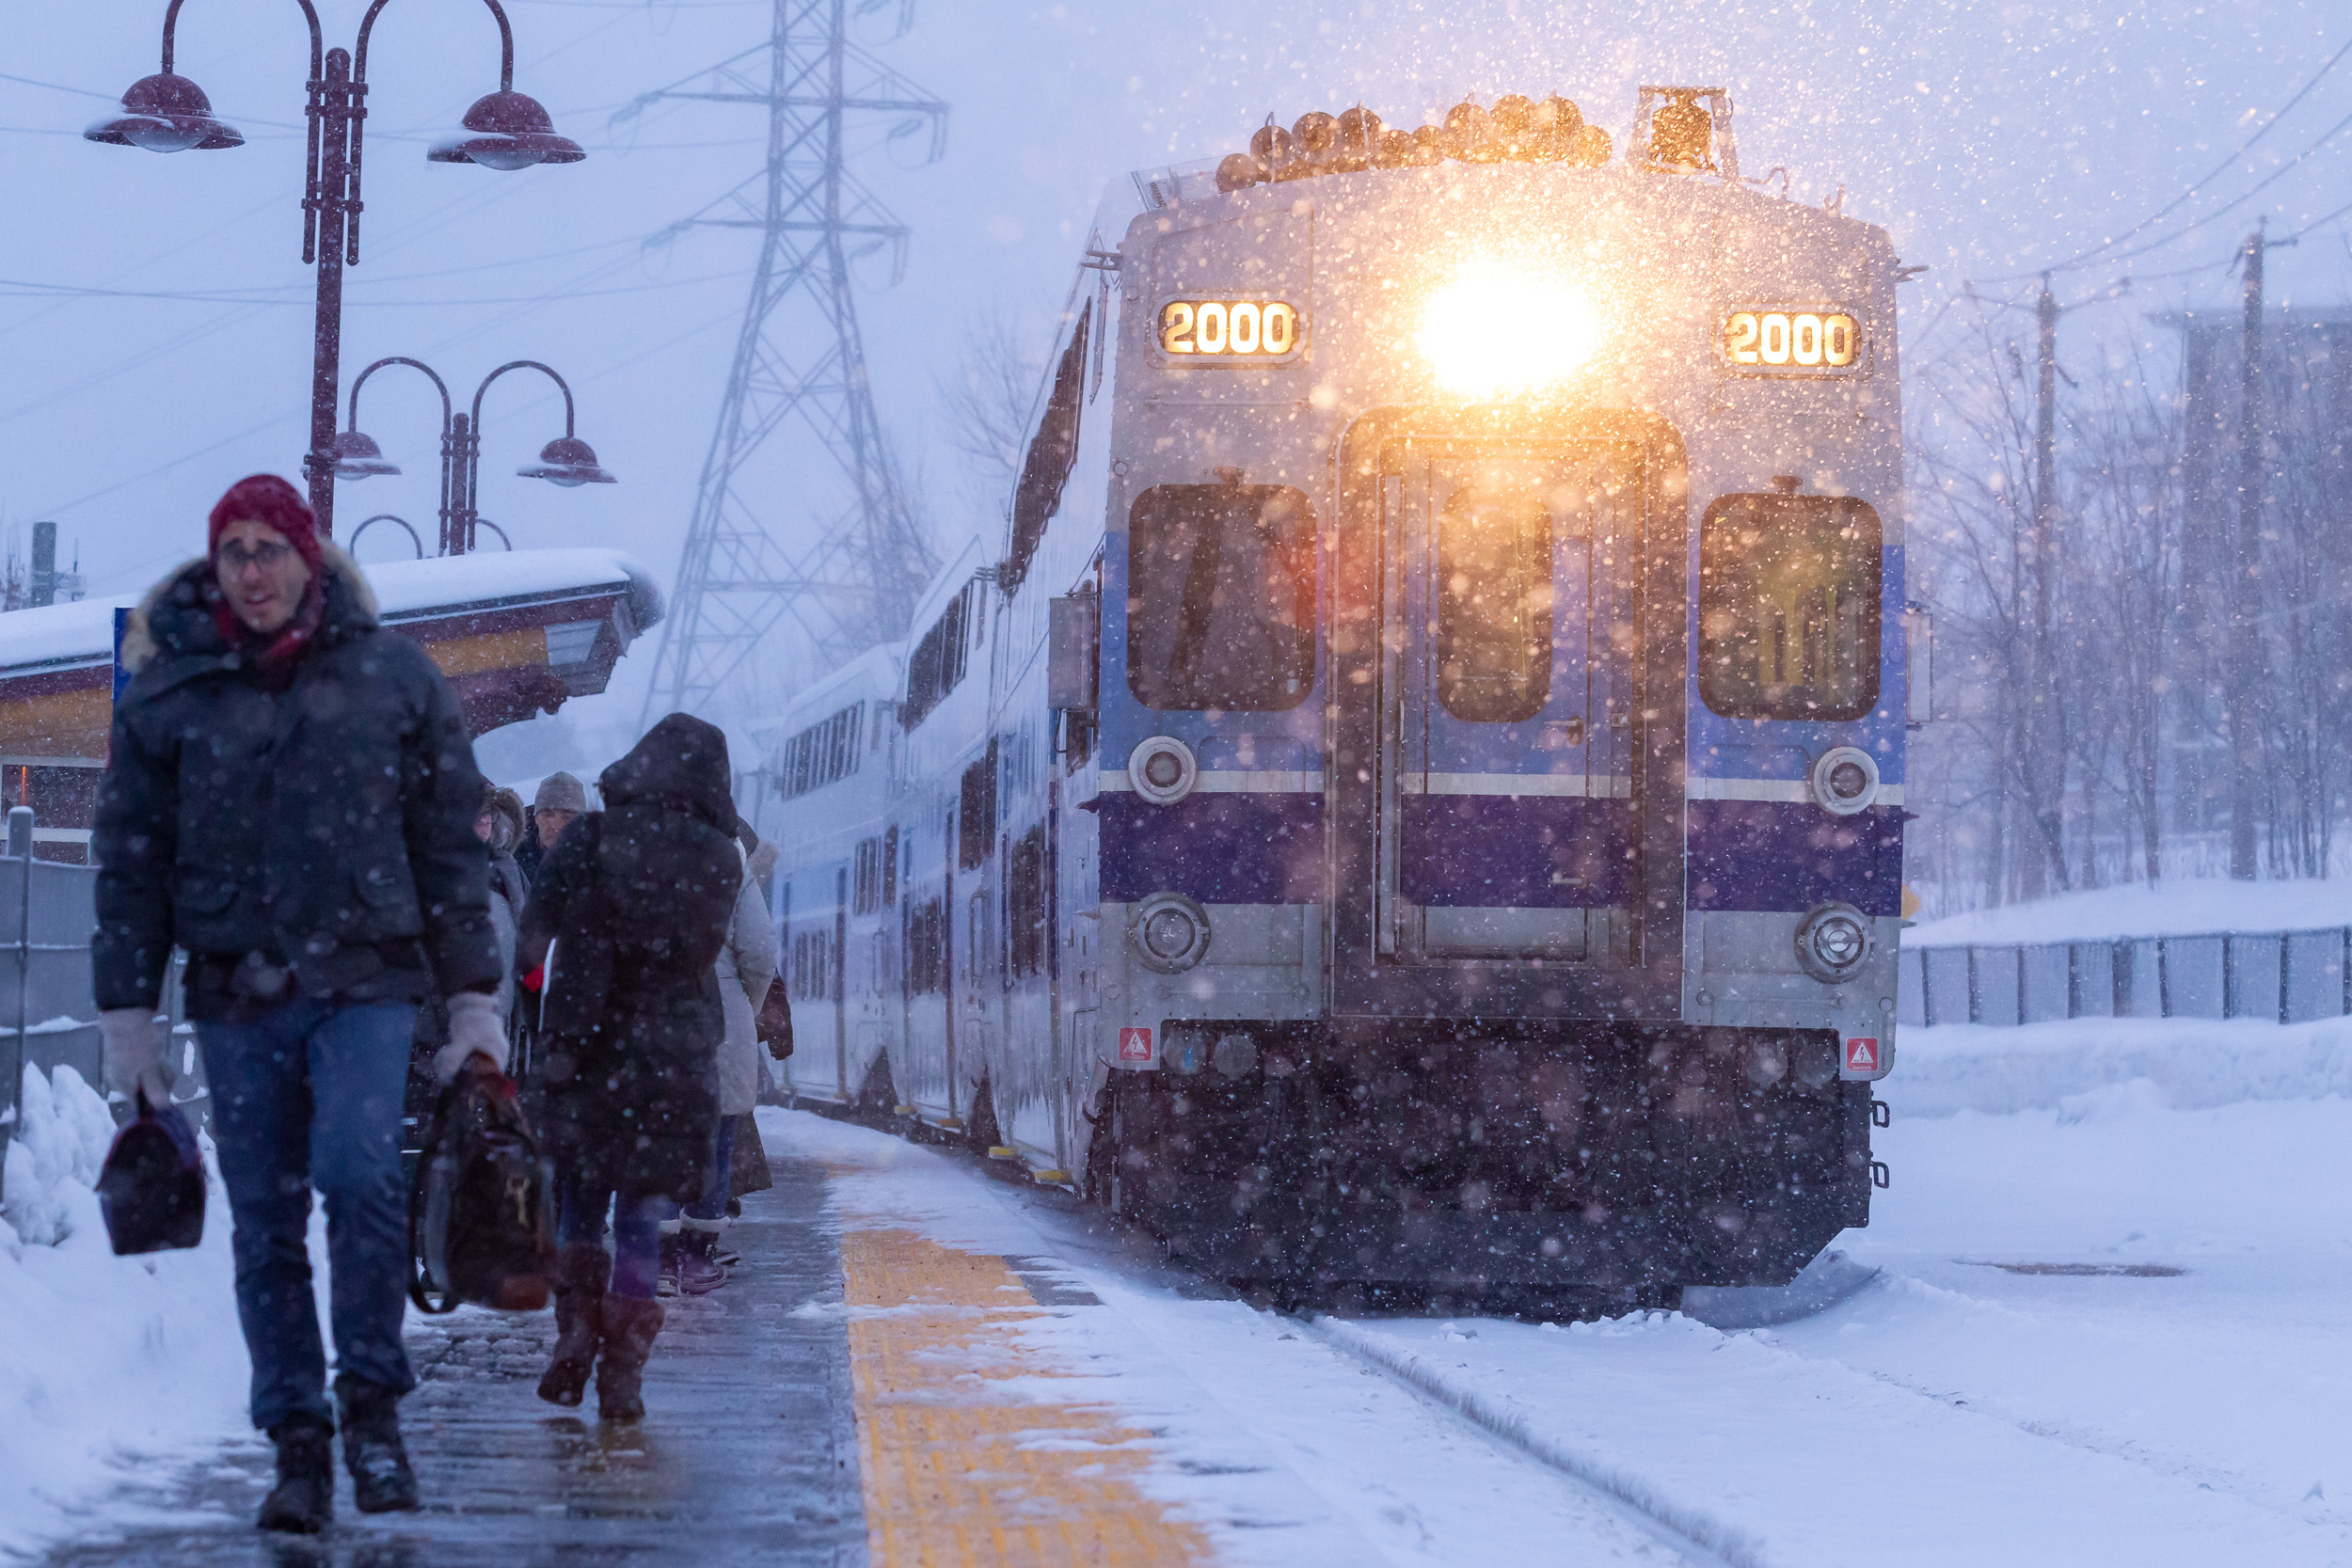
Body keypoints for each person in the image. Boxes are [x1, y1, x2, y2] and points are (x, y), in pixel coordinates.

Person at [91, 475, 507, 1535]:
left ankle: (371, 1409)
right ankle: (298, 1438)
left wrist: (472, 1001)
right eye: (232, 548)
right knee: (266, 1219)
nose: (252, 568)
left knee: (360, 1176)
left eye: (269, 545)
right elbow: (129, 864)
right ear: (213, 564)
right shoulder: (171, 694)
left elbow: (450, 850)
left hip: (367, 980)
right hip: (237, 990)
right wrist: (127, 1016)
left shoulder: (392, 680)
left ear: (308, 554)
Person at [519, 715, 740, 1421]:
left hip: (586, 1048)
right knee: (643, 1217)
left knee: (582, 1205)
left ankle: (575, 1333)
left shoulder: (589, 837)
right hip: (672, 1060)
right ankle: (624, 1373)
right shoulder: (720, 856)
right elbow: (699, 947)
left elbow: (536, 923)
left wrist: (543, 993)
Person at [662, 827, 777, 1295]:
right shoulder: (733, 865)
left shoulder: (637, 853)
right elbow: (760, 951)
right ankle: (697, 1257)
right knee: (716, 1136)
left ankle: (659, 1257)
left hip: (656, 1018)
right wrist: (746, 1007)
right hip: (722, 1014)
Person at [516, 771, 585, 888]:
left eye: (566, 817)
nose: (556, 826)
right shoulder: (514, 865)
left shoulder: (600, 862)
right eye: (548, 815)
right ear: (536, 818)